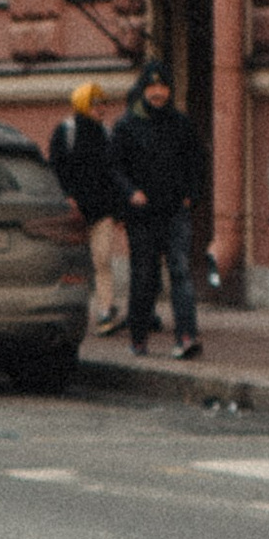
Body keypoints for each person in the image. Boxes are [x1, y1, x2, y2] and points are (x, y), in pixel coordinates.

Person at [114, 69, 204, 358]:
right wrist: (130, 193)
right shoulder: (127, 125)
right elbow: (114, 168)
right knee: (145, 276)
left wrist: (192, 194)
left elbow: (197, 160)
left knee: (180, 272)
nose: (158, 93)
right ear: (143, 90)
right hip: (142, 215)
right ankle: (139, 338)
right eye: (153, 88)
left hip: (175, 210)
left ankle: (187, 336)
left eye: (164, 87)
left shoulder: (180, 123)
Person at [47, 80, 122, 333]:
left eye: (103, 103)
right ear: (82, 104)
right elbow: (56, 169)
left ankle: (105, 311)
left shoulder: (107, 134)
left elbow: (115, 174)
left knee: (102, 261)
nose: (101, 108)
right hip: (74, 212)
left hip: (102, 212)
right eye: (95, 103)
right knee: (73, 265)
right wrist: (67, 197)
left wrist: (118, 211)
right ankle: (68, 313)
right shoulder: (66, 132)